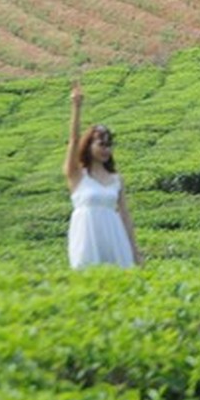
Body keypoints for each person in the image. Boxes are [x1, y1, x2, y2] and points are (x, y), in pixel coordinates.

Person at [63, 82, 142, 269]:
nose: (106, 149)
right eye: (101, 144)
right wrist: (76, 108)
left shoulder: (116, 180)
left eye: (109, 145)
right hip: (86, 239)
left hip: (114, 238)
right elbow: (73, 141)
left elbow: (125, 216)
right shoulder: (77, 176)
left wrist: (135, 250)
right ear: (89, 146)